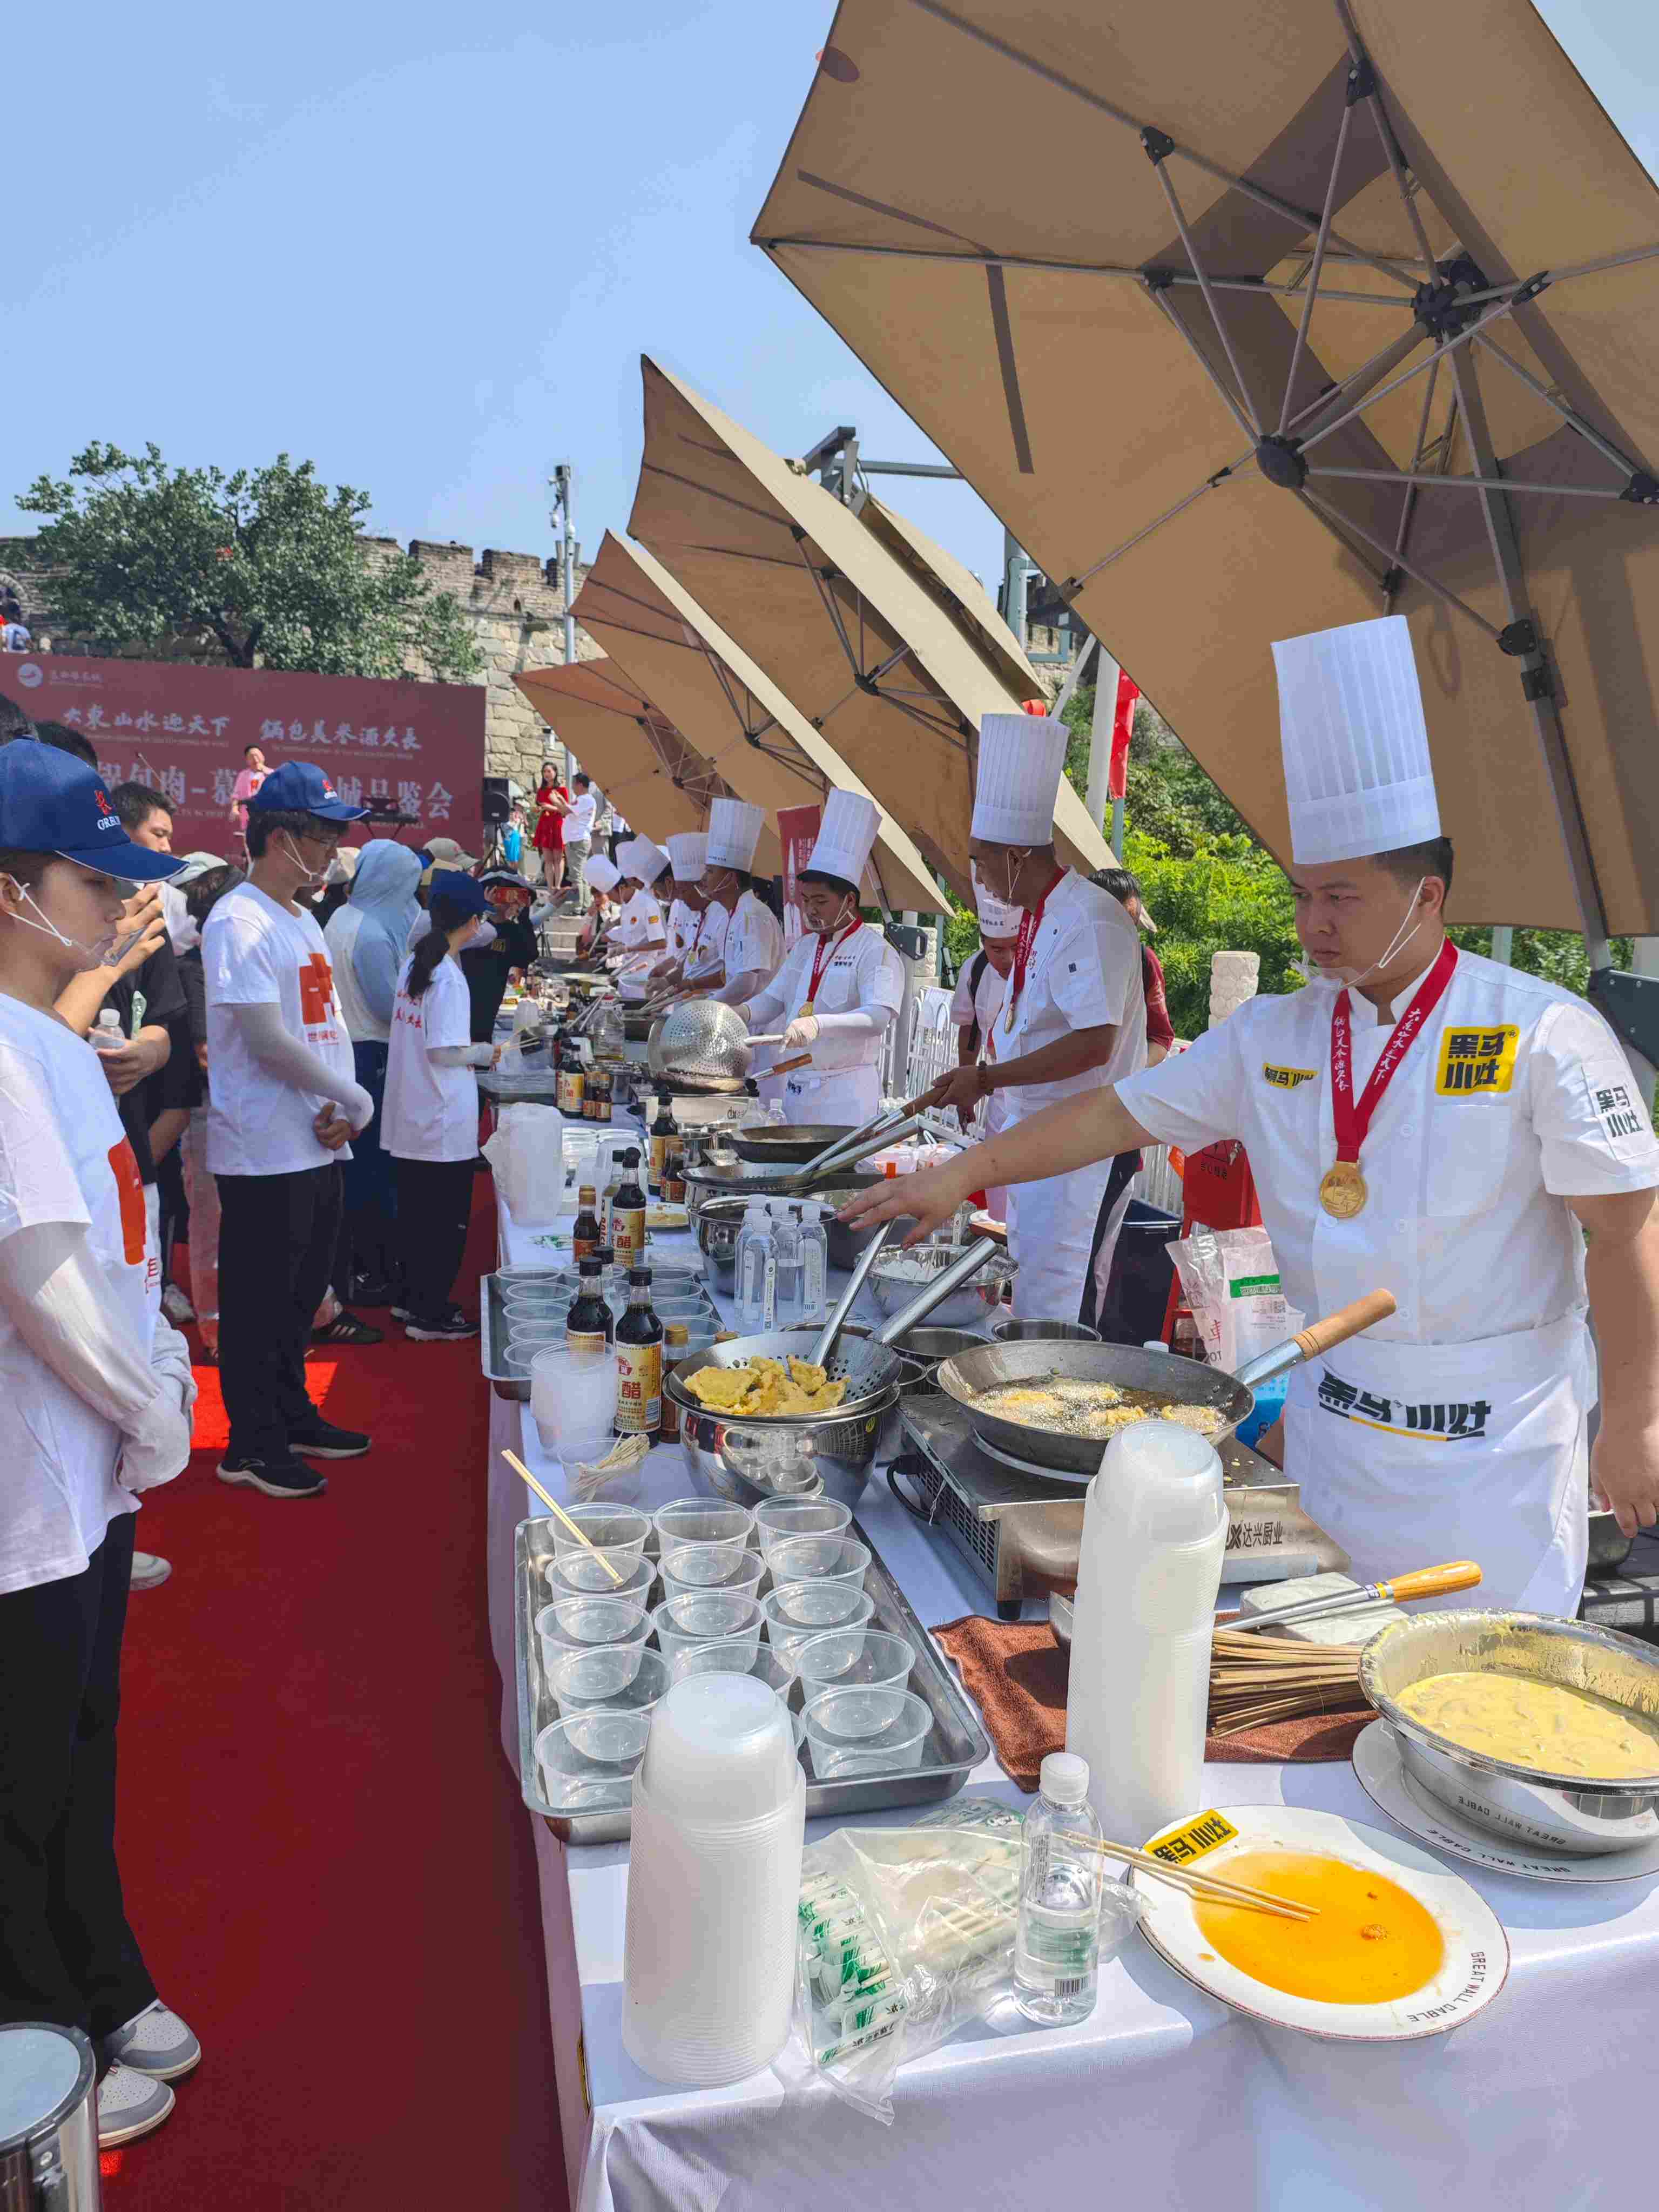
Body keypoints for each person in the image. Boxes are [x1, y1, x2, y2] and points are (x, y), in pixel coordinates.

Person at [847, 616, 1659, 1612]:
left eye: (1343, 899)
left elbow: (1625, 1231)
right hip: (1332, 1436)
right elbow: (1111, 1117)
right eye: (1302, 895)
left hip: (1490, 1456)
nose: (1313, 924)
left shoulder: (1541, 1030)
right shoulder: (1273, 1033)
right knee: (1313, 1693)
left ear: (1428, 896)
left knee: (1472, 1706)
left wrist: (1633, 1419)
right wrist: (961, 1174)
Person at [0, 741, 200, 2147]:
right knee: (21, 1780)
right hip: (33, 1480)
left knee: (80, 1752)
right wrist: (155, 1405)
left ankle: (101, 1977)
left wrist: (158, 1370)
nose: (110, 906)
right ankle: (36, 2048)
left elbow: (116, 1252)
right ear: (13, 894)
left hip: (94, 1472)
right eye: (86, 881)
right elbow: (51, 1283)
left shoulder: (50, 1047)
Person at [912, 711, 1146, 1323]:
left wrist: (987, 1078)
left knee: (1067, 1301)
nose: (982, 881)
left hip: (1088, 1149)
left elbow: (1096, 1043)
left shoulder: (1089, 920)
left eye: (983, 864)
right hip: (1042, 1143)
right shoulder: (1041, 913)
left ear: (1016, 856)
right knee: (1035, 1286)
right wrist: (979, 1077)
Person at [203, 761, 376, 1500]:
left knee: (303, 1295)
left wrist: (339, 1108)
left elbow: (323, 1028)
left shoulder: (301, 917)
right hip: (262, 1150)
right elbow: (267, 1039)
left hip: (314, 1138)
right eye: (324, 835)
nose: (336, 850)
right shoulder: (238, 921)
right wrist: (352, 1098)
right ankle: (252, 1442)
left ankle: (293, 1413)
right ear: (279, 837)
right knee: (260, 1303)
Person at [736, 793, 903, 1127]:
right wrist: (739, 1013)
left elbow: (878, 1017)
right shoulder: (805, 947)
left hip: (846, 1096)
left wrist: (818, 1024)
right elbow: (773, 998)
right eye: (806, 900)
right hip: (797, 1092)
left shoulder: (876, 951)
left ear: (850, 900)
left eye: (821, 901)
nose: (810, 910)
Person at [383, 873, 498, 1339]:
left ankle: (410, 1301)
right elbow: (445, 1051)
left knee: (414, 1216)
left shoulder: (416, 961)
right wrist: (487, 1053)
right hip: (440, 1115)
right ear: (472, 923)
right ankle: (432, 1314)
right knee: (443, 1224)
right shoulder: (448, 977)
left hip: (412, 1112)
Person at [324, 840, 424, 1306]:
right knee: (375, 1167)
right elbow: (389, 1007)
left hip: (349, 1046)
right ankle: (375, 1268)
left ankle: (362, 1262)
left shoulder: (344, 917)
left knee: (360, 1165)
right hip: (371, 1053)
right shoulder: (370, 932)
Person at [949, 885, 1022, 1225]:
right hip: (997, 1095)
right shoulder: (975, 970)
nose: (1007, 959)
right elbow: (971, 1028)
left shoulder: (1041, 968)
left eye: (1014, 947)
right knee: (999, 1199)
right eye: (997, 949)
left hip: (1040, 1097)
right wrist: (967, 1087)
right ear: (982, 942)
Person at [465, 869, 540, 1040]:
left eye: (509, 894)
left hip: (489, 1008)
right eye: (497, 893)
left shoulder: (513, 931)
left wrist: (524, 916)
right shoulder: (473, 926)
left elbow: (529, 955)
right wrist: (484, 908)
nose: (502, 899)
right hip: (463, 1003)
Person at [609, 838, 670, 989]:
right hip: (630, 967)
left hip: (648, 968)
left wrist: (629, 948)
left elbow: (661, 942)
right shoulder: (631, 902)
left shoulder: (649, 902)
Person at [652, 831, 709, 986]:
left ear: (702, 886)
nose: (682, 898)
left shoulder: (719, 914)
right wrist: (667, 973)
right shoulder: (690, 907)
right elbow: (691, 955)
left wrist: (677, 982)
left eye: (683, 891)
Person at [531, 759, 570, 897]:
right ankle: (550, 887)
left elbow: (565, 810)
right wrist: (538, 809)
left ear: (555, 772)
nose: (547, 774)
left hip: (558, 824)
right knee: (547, 858)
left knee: (558, 857)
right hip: (545, 824)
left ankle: (558, 885)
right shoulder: (541, 791)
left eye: (549, 771)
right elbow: (541, 807)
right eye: (544, 772)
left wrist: (551, 807)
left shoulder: (562, 790)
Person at [563, 772, 598, 908]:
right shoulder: (584, 799)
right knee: (580, 874)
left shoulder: (585, 799)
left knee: (577, 875)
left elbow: (565, 811)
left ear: (580, 784)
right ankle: (585, 905)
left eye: (573, 784)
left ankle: (579, 907)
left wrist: (556, 799)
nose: (572, 787)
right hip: (576, 839)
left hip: (578, 840)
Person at [228, 743, 268, 857]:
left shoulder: (272, 775)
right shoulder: (243, 775)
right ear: (247, 761)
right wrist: (235, 809)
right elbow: (236, 795)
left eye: (257, 755)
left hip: (267, 818)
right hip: (248, 818)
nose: (255, 759)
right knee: (250, 850)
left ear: (263, 757)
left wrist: (265, 772)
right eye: (251, 757)